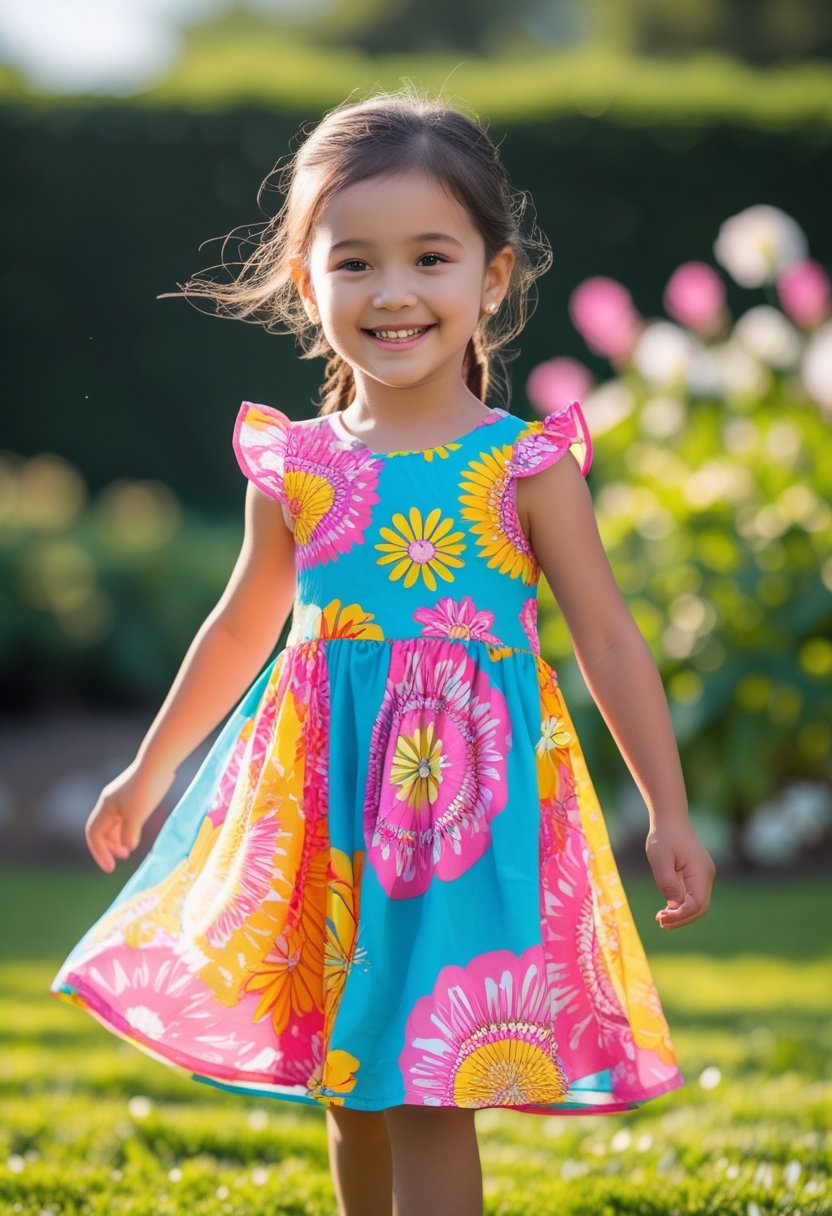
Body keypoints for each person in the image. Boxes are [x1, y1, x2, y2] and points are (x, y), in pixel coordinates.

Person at [49, 86, 716, 1216]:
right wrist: (149, 768)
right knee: (351, 1084)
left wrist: (669, 806)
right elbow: (242, 625)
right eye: (354, 262)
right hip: (324, 812)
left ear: (491, 280)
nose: (393, 291)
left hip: (459, 816)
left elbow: (604, 632)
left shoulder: (523, 466)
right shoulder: (298, 466)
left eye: (430, 257)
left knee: (426, 1085)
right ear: (308, 283)